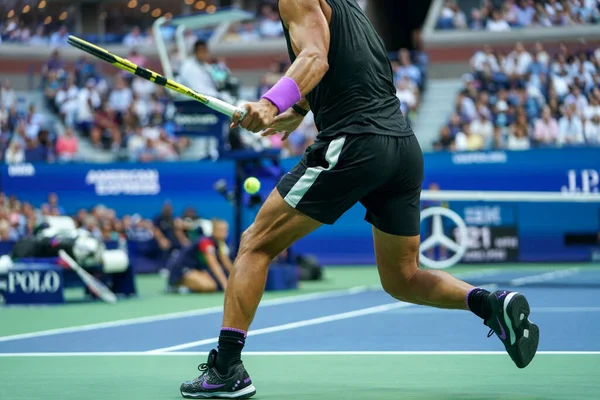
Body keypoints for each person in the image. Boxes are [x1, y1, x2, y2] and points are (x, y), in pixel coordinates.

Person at [179, 0, 539, 398]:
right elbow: (352, 67)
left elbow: (316, 57)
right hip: (402, 147)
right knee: (403, 279)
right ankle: (489, 303)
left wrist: (269, 103)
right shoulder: (350, 9)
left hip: (355, 141)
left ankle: (228, 368)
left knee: (255, 244)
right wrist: (299, 108)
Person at [167, 219, 232, 293]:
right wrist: (225, 285)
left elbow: (226, 263)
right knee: (210, 286)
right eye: (221, 230)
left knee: (215, 284)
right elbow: (214, 265)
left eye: (225, 230)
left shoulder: (221, 243)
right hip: (182, 269)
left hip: (196, 269)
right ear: (214, 230)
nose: (224, 233)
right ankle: (176, 285)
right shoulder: (206, 242)